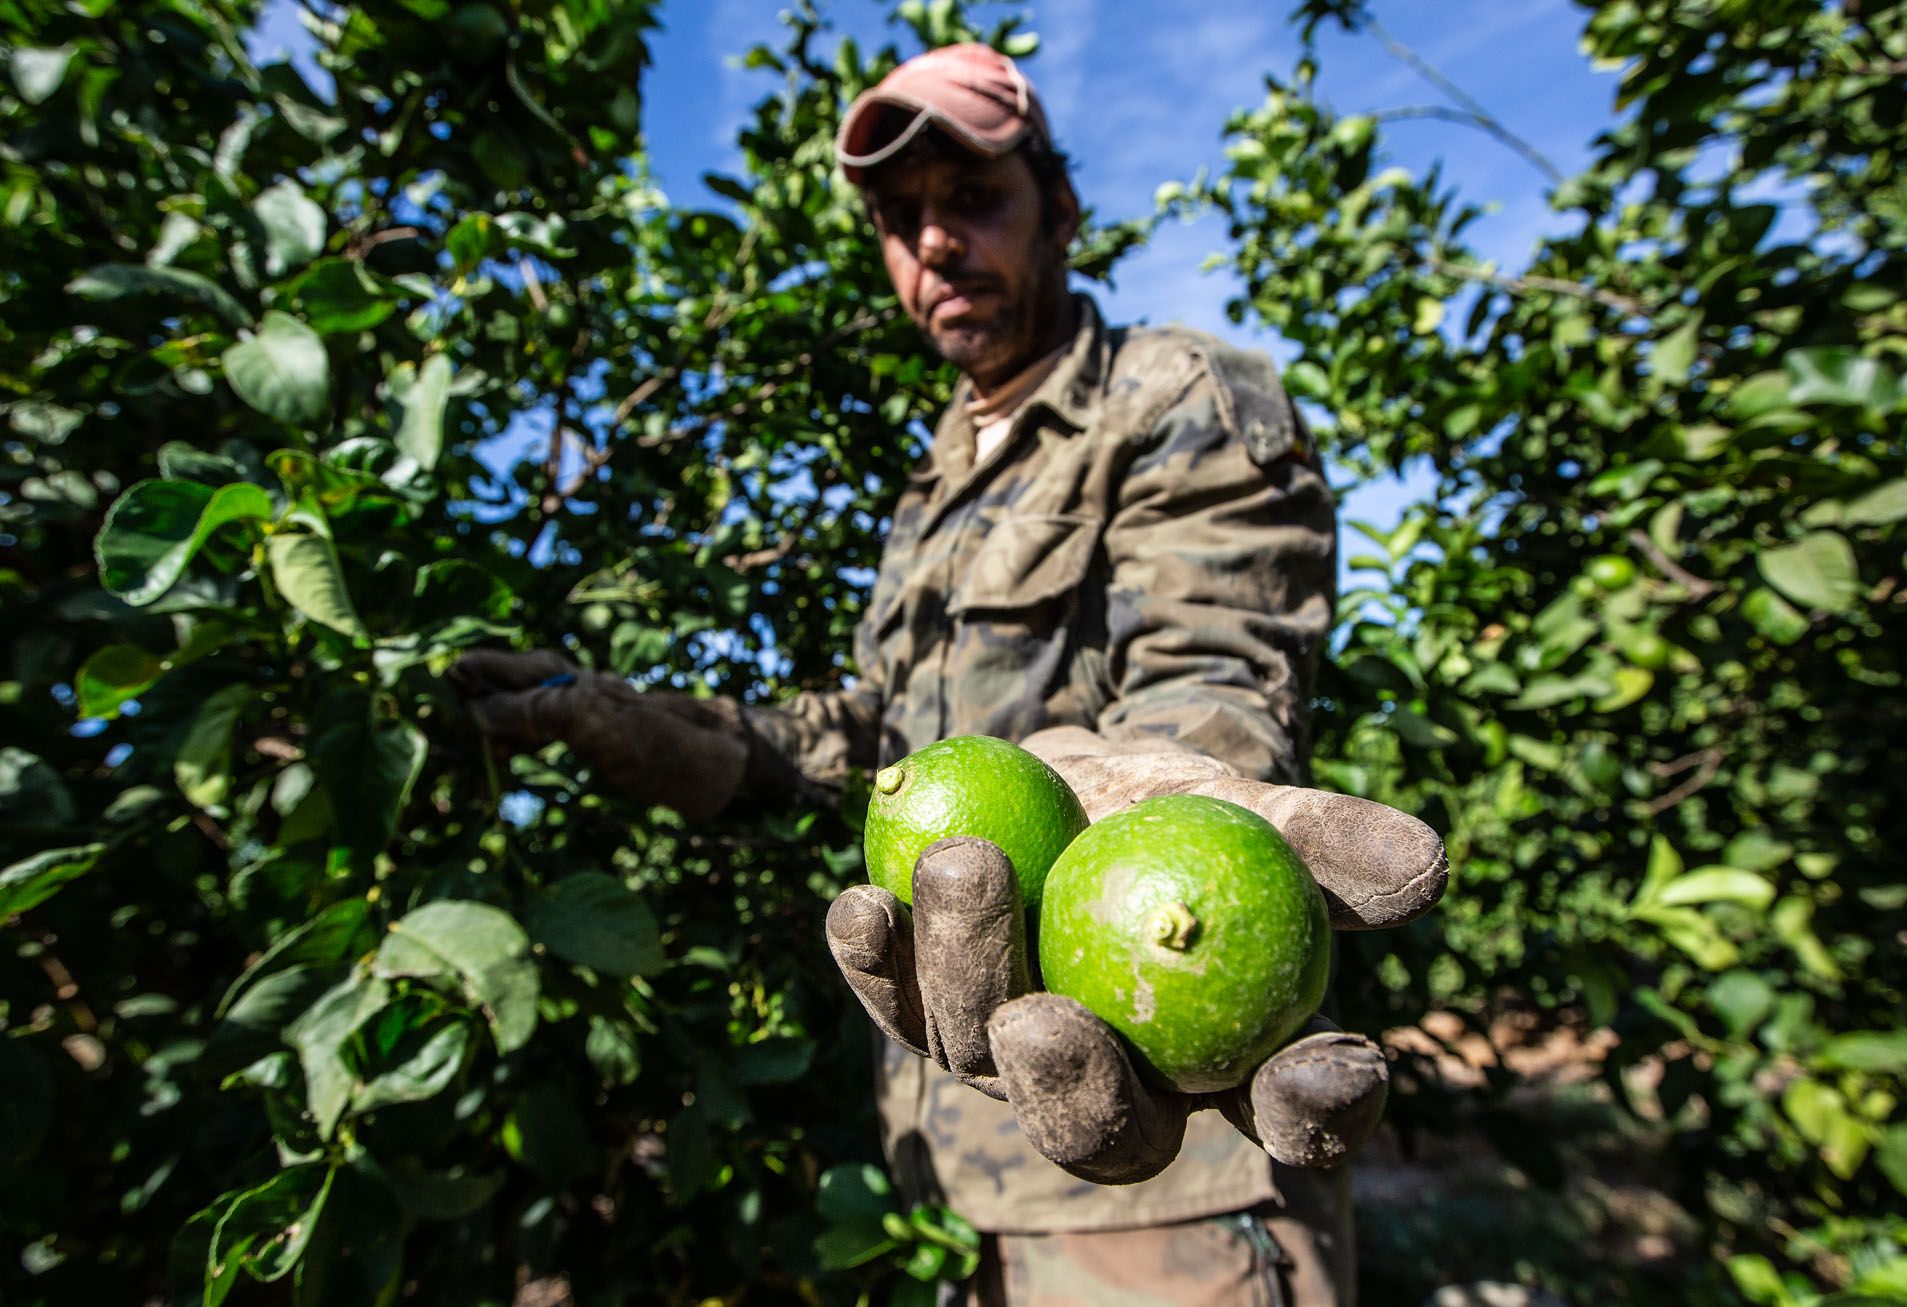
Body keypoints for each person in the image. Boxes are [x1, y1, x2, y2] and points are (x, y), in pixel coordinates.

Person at [449, 42, 1447, 1306]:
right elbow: (881, 739)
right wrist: (621, 716)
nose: (934, 242)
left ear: (1061, 209)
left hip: (1174, 1138)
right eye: (899, 216)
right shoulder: (937, 479)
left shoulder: (1172, 394)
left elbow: (1218, 668)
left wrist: (1162, 805)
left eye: (973, 198)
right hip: (967, 1150)